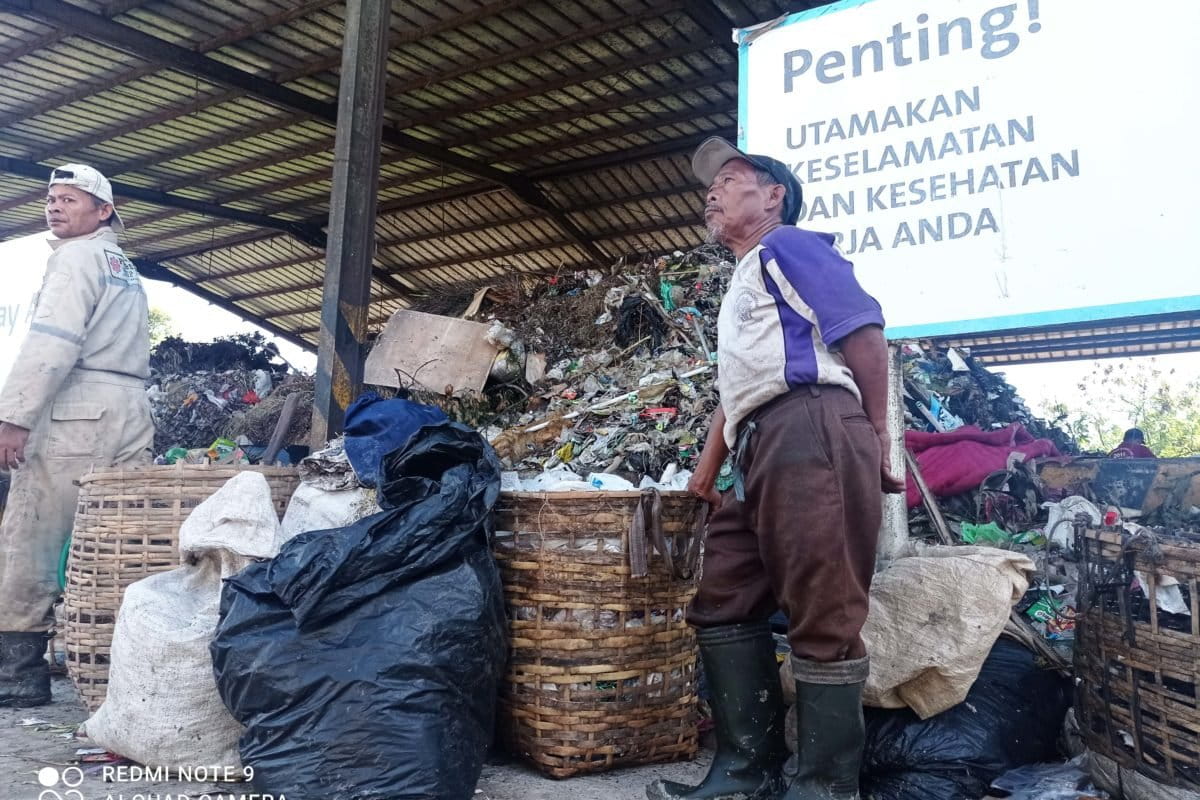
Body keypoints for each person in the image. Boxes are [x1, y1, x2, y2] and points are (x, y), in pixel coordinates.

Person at [647, 138, 903, 800]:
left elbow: (864, 334)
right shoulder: (745, 278)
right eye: (712, 185)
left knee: (822, 609)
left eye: (731, 180)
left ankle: (824, 789)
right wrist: (705, 476)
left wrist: (876, 437)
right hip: (763, 439)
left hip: (810, 426)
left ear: (772, 197)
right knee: (723, 593)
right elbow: (737, 393)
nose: (713, 191)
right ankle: (744, 774)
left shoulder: (790, 246)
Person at [0, 164, 154, 707]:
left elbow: (53, 340)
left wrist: (15, 417)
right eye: (52, 197)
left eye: (70, 198)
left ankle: (17, 676)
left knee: (33, 536)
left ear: (103, 211)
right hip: (131, 409)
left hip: (77, 411)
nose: (56, 205)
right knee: (115, 540)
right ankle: (113, 665)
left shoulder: (74, 258)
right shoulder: (124, 267)